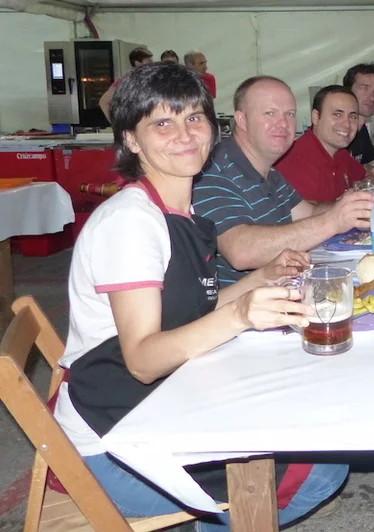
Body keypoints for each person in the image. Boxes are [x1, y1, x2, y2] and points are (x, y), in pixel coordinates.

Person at [54, 63, 348, 530]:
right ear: (131, 139)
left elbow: (194, 309)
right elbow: (142, 361)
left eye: (194, 117)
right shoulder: (130, 223)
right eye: (162, 123)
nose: (184, 135)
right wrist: (241, 315)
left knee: (313, 423)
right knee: (319, 469)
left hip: (163, 401)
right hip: (114, 440)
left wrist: (262, 277)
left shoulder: (180, 211)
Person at [192, 75, 374, 285]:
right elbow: (241, 251)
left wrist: (355, 208)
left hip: (284, 290)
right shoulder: (212, 170)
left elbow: (309, 213)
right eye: (270, 113)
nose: (283, 123)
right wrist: (333, 221)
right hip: (246, 302)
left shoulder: (269, 171)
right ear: (241, 120)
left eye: (290, 114)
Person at [275, 85, 367, 203]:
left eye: (353, 116)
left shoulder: (340, 154)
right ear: (315, 117)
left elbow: (365, 177)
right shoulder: (294, 162)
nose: (347, 124)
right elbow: (307, 213)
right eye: (337, 114)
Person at [98, 46, 153, 123]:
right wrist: (115, 124)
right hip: (132, 124)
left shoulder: (151, 80)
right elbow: (103, 102)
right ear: (137, 63)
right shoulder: (124, 81)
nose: (152, 64)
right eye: (149, 61)